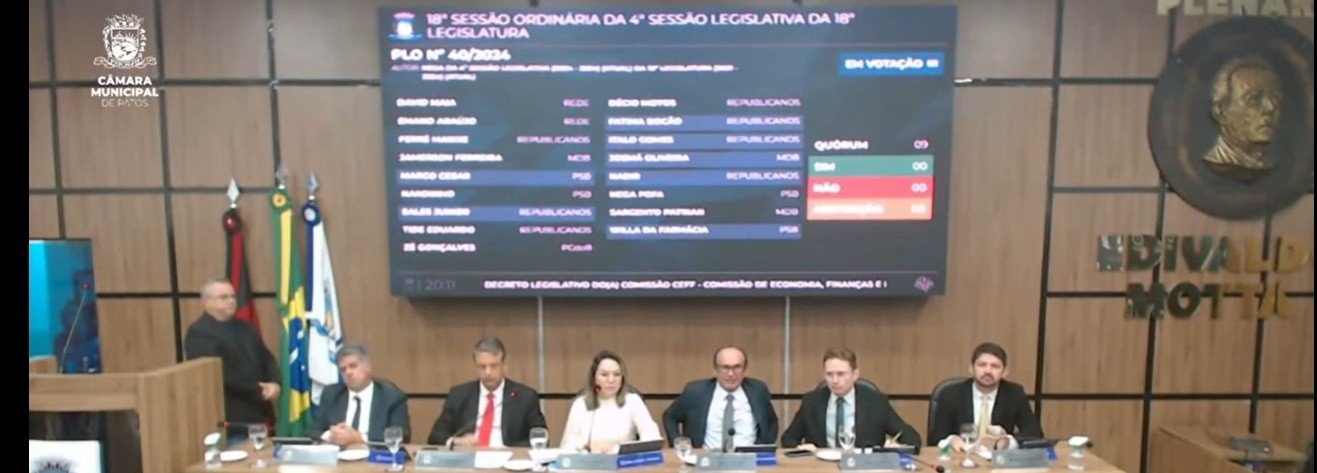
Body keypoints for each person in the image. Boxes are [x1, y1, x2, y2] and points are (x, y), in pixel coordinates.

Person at [183, 278, 279, 442]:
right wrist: (258, 390)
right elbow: (219, 374)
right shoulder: (199, 333)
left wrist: (274, 383)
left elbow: (267, 359)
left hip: (259, 415)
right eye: (223, 297)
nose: (231, 301)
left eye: (233, 296)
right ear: (207, 303)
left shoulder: (245, 327)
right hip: (232, 419)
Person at [781, 348, 919, 451]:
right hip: (822, 466)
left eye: (841, 374)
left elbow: (911, 438)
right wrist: (801, 448)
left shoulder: (876, 402)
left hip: (863, 466)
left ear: (855, 374)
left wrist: (897, 447)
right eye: (829, 374)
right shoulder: (811, 401)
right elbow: (788, 439)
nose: (835, 380)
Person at [428, 337, 547, 447]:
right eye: (482, 367)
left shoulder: (525, 397)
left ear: (504, 365)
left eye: (494, 366)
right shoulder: (459, 395)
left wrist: (508, 450)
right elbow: (435, 436)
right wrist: (456, 441)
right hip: (470, 458)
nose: (488, 372)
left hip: (507, 459)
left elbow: (541, 438)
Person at [928, 342, 1042, 450]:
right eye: (982, 365)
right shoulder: (951, 394)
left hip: (997, 458)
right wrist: (951, 440)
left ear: (1005, 372)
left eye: (995, 366)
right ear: (971, 368)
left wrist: (1007, 441)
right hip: (959, 457)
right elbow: (935, 436)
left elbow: (1034, 432)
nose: (988, 371)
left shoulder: (1014, 393)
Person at [662, 346, 778, 450]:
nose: (731, 374)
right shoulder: (696, 392)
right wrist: (679, 445)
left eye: (737, 367)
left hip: (749, 460)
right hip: (706, 460)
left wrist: (761, 450)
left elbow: (771, 422)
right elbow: (670, 417)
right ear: (715, 369)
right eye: (725, 368)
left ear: (745, 369)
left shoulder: (758, 390)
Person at [560, 350, 662, 453]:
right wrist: (587, 448)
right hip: (589, 461)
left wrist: (617, 449)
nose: (611, 380)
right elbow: (567, 445)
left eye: (617, 374)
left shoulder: (633, 401)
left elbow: (652, 438)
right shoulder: (580, 404)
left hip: (623, 460)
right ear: (594, 378)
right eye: (604, 375)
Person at [1202, 55, 1283, 183]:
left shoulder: (1279, 166)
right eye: (1254, 99)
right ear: (1221, 112)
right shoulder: (1215, 164)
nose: (1270, 107)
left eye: (1275, 98)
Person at [310, 344, 411, 446]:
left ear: (368, 366)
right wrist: (332, 435)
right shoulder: (331, 394)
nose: (348, 372)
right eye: (343, 369)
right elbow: (313, 431)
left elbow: (402, 435)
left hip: (374, 455)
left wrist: (360, 439)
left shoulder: (391, 396)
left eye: (353, 366)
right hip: (339, 454)